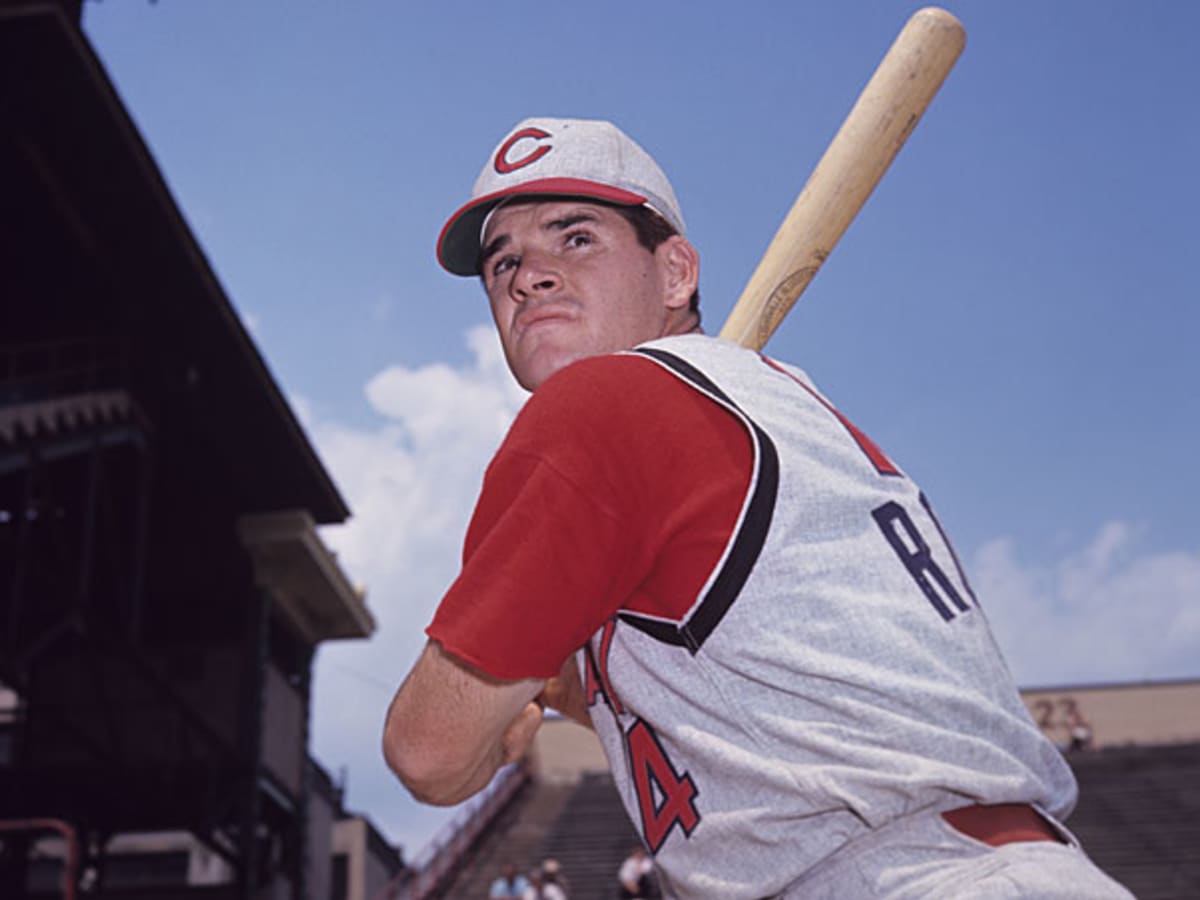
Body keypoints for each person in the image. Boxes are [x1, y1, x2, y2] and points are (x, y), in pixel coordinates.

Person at [382, 117, 1134, 898]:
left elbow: (427, 752)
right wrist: (557, 683)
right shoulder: (782, 406)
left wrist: (488, 724)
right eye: (503, 262)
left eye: (575, 238)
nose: (526, 275)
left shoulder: (607, 402)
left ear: (675, 273)